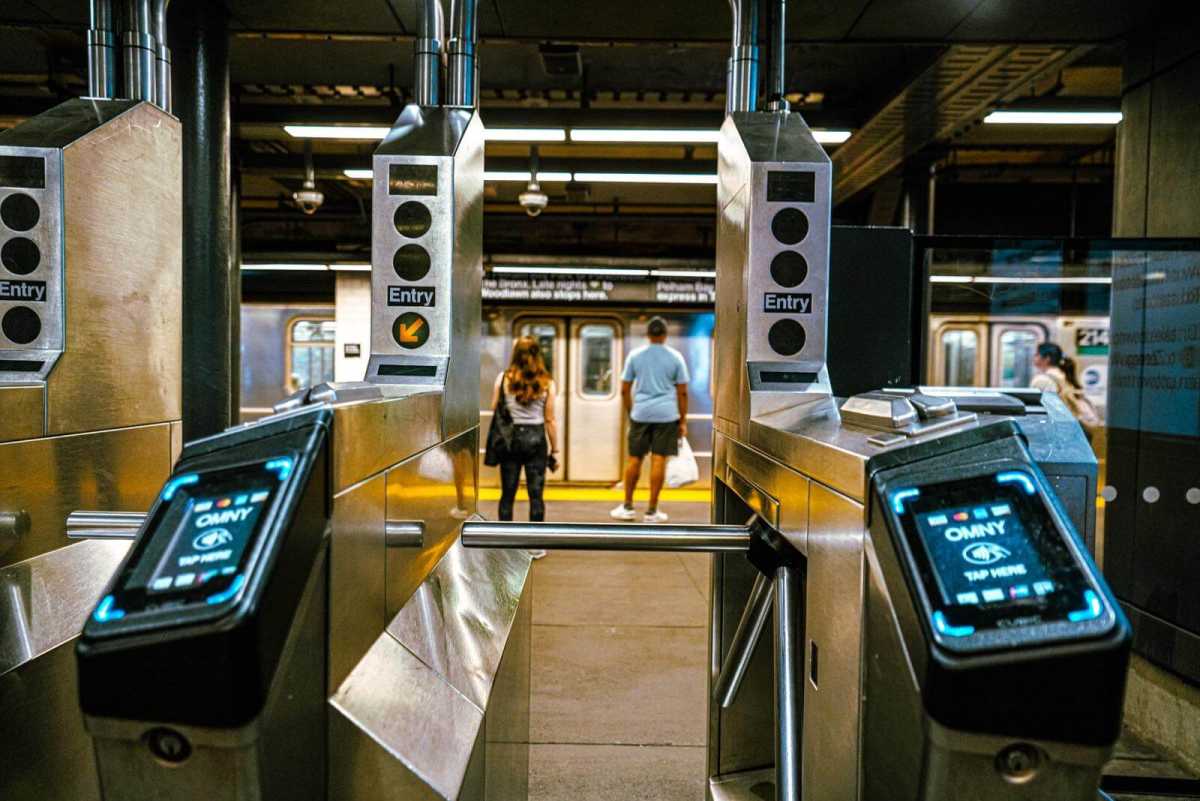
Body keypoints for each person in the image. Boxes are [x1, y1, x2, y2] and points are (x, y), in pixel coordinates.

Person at [611, 317, 690, 523]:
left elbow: (624, 389)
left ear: (648, 335)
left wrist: (632, 412)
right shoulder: (676, 358)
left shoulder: (635, 356)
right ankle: (652, 511)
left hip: (641, 415)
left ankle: (627, 506)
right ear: (664, 335)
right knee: (659, 459)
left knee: (634, 459)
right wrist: (682, 421)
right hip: (667, 416)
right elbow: (682, 393)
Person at [492, 336, 558, 556]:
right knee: (536, 494)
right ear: (538, 354)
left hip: (510, 441)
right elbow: (550, 419)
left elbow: (495, 407)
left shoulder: (503, 379)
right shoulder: (547, 383)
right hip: (536, 440)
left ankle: (504, 545)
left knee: (507, 493)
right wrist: (555, 450)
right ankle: (535, 545)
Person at [1031, 342, 1101, 436]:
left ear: (1047, 358)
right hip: (1069, 428)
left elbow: (1040, 409)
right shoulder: (1062, 376)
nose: (1034, 357)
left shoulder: (1042, 380)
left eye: (1037, 354)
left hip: (1055, 430)